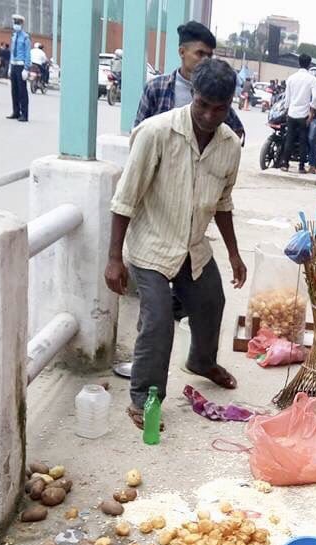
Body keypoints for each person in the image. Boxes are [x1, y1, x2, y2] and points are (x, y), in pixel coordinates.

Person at [106, 59, 247, 431]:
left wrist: (233, 253)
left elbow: (223, 203)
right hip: (151, 245)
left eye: (219, 108)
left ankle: (201, 361)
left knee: (212, 301)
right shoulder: (156, 133)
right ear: (192, 95)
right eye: (202, 104)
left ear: (230, 104)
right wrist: (113, 258)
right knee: (158, 321)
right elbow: (125, 200)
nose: (208, 115)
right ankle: (144, 398)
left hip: (193, 247)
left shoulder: (231, 145)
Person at [135, 22, 244, 140]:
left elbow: (236, 131)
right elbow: (138, 131)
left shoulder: (215, 90)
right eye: (200, 54)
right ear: (182, 52)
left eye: (209, 55)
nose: (205, 60)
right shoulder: (156, 88)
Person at [280, 54, 316, 174]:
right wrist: (312, 112)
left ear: (299, 63)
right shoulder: (312, 79)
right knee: (303, 140)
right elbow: (315, 98)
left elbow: (287, 98)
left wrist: (287, 110)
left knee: (289, 139)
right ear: (309, 64)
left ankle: (285, 164)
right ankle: (301, 167)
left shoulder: (291, 78)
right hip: (304, 114)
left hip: (292, 113)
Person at [7, 14, 31, 122]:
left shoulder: (25, 37)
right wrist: (9, 67)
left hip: (21, 66)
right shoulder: (14, 36)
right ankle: (16, 112)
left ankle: (24, 114)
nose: (16, 25)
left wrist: (26, 68)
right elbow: (12, 53)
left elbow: (27, 54)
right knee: (14, 90)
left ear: (22, 24)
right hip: (13, 64)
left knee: (22, 91)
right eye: (14, 22)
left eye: (18, 23)